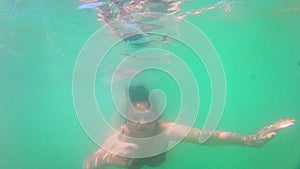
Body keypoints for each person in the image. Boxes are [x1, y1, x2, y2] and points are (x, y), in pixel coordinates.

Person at [83, 85, 295, 169]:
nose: (141, 122)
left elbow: (206, 137)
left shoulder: (164, 128)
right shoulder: (119, 140)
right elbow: (88, 164)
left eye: (148, 115)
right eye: (134, 116)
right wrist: (108, 159)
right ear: (125, 119)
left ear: (157, 117)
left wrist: (248, 141)